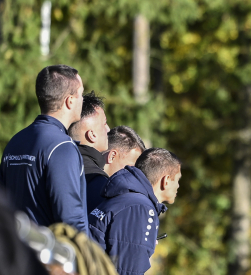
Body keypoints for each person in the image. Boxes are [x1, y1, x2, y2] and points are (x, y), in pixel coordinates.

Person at [0, 65, 87, 233]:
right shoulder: (63, 147)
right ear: (69, 101)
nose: (83, 99)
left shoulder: (14, 143)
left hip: (18, 253)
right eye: (81, 94)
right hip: (49, 256)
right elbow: (71, 220)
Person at [88, 148, 181, 275]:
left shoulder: (126, 196)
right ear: (166, 180)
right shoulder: (141, 208)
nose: (178, 186)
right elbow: (127, 274)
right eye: (178, 180)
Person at [84, 125, 146, 214]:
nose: (132, 175)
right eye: (130, 168)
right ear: (112, 156)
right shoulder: (104, 193)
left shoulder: (78, 162)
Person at [68, 91, 110, 214]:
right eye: (104, 123)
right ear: (92, 135)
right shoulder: (99, 183)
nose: (108, 129)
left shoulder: (59, 166)